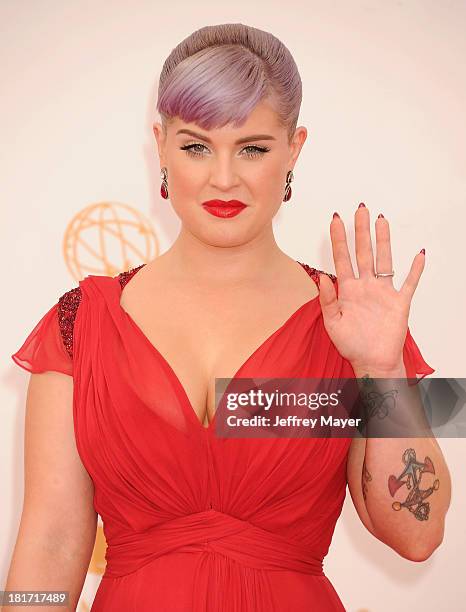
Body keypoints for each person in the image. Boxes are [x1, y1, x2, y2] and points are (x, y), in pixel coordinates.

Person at [6, 22, 450, 612]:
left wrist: (380, 367)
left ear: (294, 148)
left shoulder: (349, 323)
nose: (223, 178)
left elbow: (417, 536)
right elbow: (50, 544)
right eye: (195, 146)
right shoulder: (81, 324)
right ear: (160, 144)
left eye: (253, 148)